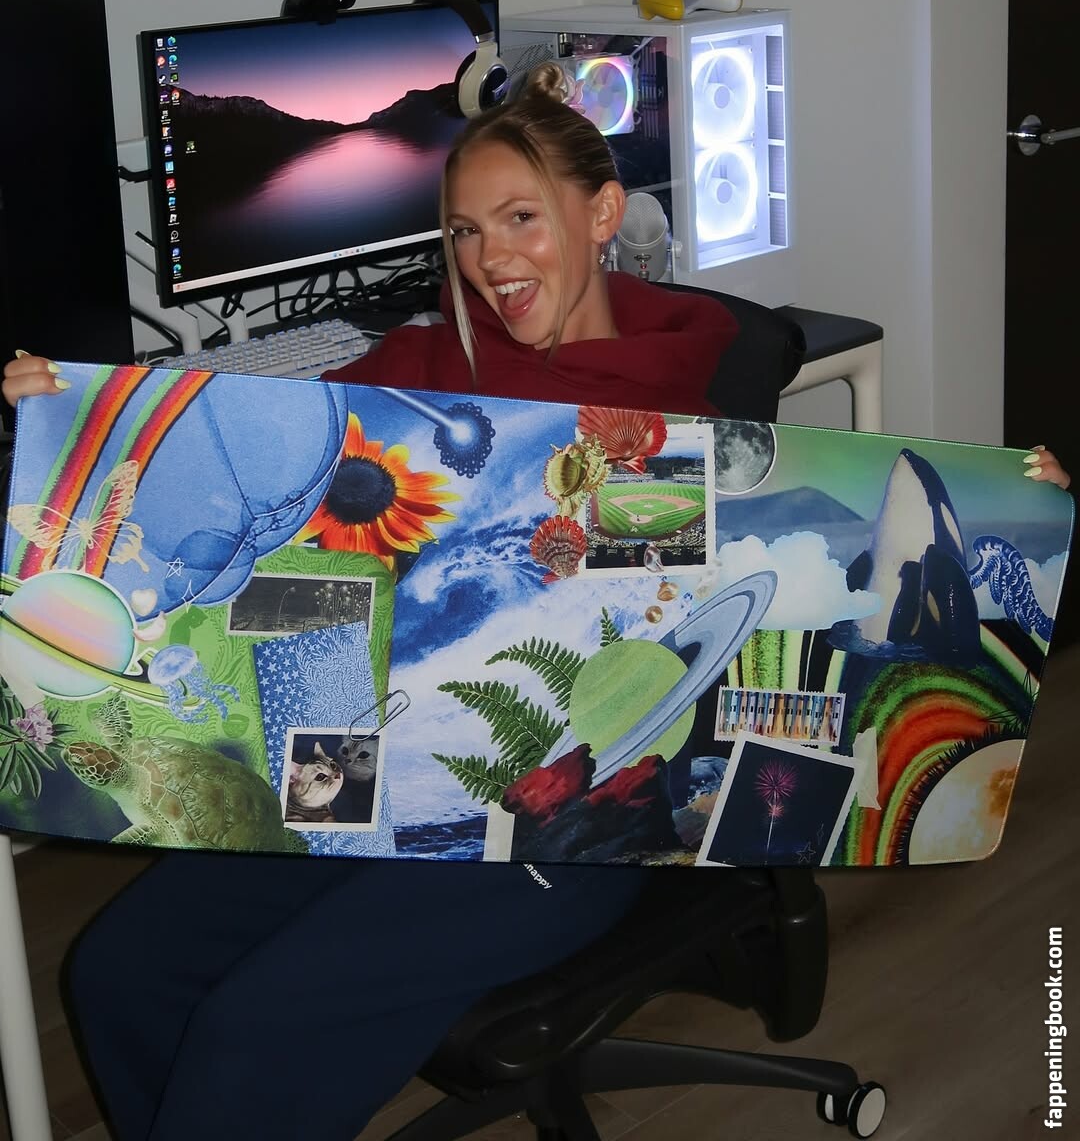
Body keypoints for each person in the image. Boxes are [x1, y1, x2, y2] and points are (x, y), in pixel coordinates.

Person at [1, 64, 1070, 1141]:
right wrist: (67, 416)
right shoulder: (415, 370)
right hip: (364, 780)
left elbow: (798, 586)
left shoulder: (656, 419)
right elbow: (249, 478)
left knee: (251, 1031)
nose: (492, 259)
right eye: (466, 232)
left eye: (522, 218)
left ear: (601, 214)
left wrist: (1021, 511)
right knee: (120, 972)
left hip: (557, 822)